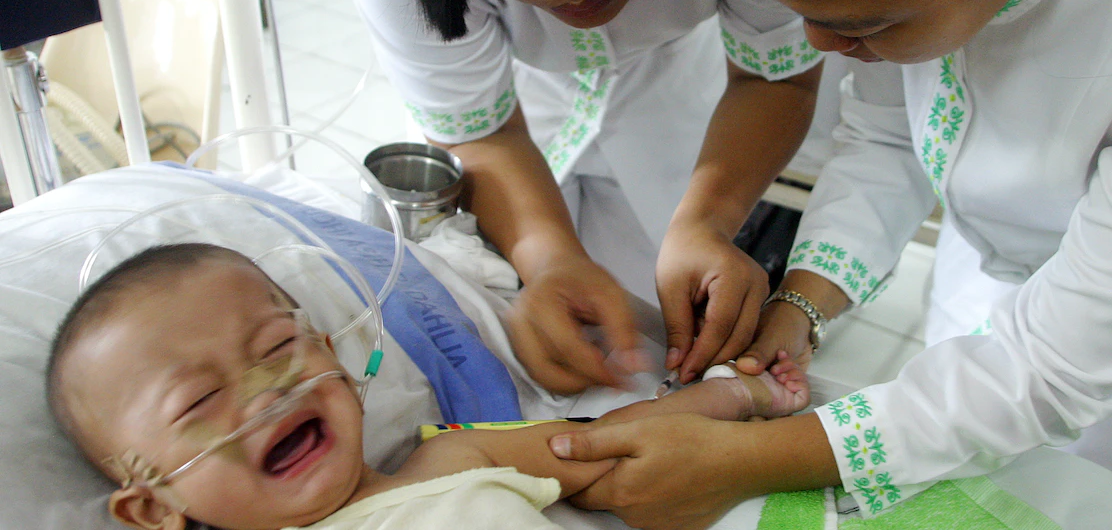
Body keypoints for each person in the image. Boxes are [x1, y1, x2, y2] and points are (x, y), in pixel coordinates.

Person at [547, 0, 1112, 526]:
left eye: (865, 26)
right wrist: (798, 307)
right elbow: (891, 136)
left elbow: (1055, 369)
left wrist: (742, 460)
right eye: (803, 14)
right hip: (994, 271)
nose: (820, 44)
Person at [342, 0, 827, 396]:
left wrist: (706, 222)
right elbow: (478, 130)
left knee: (654, 286)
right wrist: (551, 261)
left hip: (681, 82)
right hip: (516, 101)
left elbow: (773, 79)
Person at [43, 243, 808, 529]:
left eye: (277, 348)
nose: (266, 395)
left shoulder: (452, 458)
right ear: (151, 506)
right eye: (200, 402)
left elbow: (620, 440)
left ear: (341, 363)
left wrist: (741, 394)